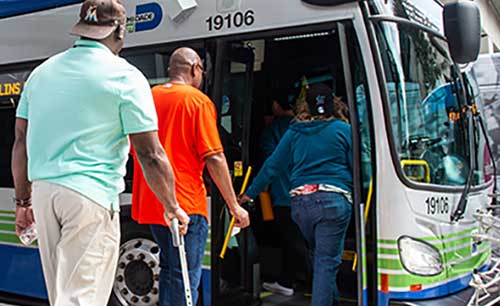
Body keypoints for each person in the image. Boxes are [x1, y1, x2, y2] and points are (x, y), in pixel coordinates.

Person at [11, 1, 189, 305]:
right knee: (83, 297)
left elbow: (21, 141)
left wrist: (23, 201)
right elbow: (150, 154)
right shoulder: (125, 76)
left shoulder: (41, 73)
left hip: (44, 194)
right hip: (89, 195)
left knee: (62, 294)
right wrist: (171, 205)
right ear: (120, 30)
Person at [131, 47, 250, 306]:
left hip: (153, 201)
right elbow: (215, 157)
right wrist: (234, 206)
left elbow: (137, 150)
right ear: (195, 69)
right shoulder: (197, 101)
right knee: (186, 276)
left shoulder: (148, 98)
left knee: (170, 268)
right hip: (186, 205)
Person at [241, 83, 353, 306]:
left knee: (320, 257)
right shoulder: (344, 130)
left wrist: (248, 194)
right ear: (335, 104)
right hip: (333, 202)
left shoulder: (294, 131)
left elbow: (272, 166)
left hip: (300, 205)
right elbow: (358, 167)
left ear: (306, 107)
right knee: (325, 261)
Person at [260, 93, 311, 296]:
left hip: (284, 195)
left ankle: (318, 282)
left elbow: (270, 165)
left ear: (275, 104)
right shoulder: (309, 128)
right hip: (310, 194)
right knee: (296, 241)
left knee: (294, 241)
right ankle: (286, 281)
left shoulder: (275, 130)